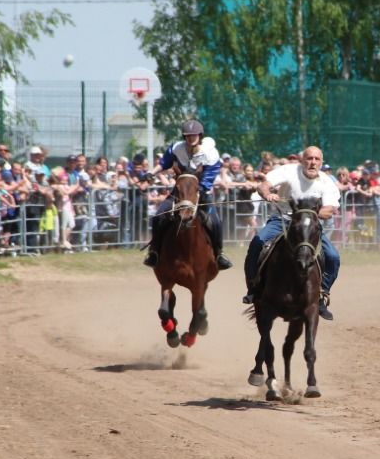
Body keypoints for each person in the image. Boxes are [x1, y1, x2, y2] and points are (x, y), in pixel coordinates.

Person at [241, 145, 340, 320]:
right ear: (302, 161)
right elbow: (263, 186)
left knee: (332, 257)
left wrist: (306, 214)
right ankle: (253, 288)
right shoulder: (287, 171)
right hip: (282, 221)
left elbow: (329, 210)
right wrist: (268, 194)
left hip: (309, 226)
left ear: (321, 162)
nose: (313, 163)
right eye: (309, 158)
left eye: (317, 159)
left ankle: (322, 295)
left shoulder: (327, 182)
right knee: (257, 243)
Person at [142, 119, 233, 270]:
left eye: (194, 135)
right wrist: (151, 172)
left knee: (215, 222)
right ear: (184, 137)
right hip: (180, 191)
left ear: (200, 136)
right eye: (188, 135)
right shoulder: (177, 148)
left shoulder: (210, 153)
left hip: (201, 191)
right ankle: (154, 252)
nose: (191, 138)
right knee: (158, 216)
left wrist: (199, 191)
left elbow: (210, 175)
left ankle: (219, 254)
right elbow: (164, 162)